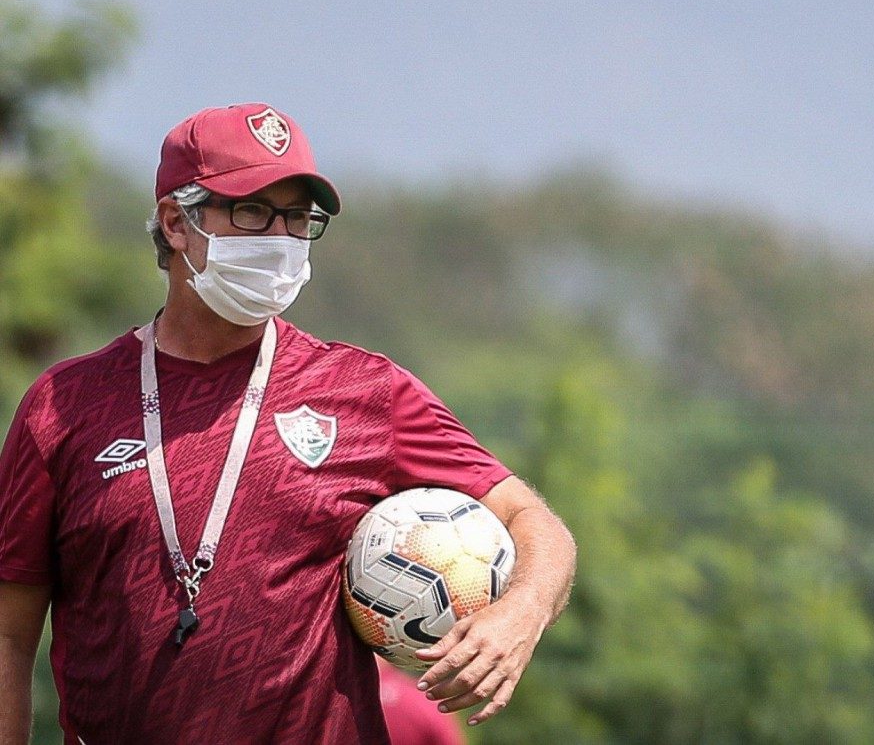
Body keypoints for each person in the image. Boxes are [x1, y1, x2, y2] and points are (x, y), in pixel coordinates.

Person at [0, 103, 576, 744]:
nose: (280, 237)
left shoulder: (366, 393)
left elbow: (535, 523)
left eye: (299, 217)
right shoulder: (63, 405)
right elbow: (7, 631)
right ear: (177, 223)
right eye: (252, 211)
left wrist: (520, 613)